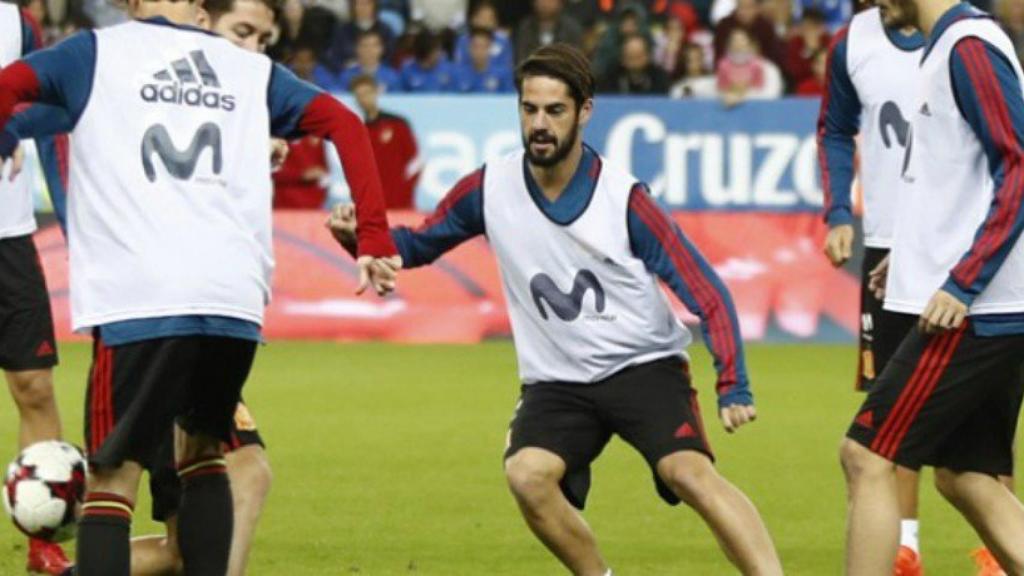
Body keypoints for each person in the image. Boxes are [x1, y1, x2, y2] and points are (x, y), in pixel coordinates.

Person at [329, 43, 783, 576]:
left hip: (643, 367)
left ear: (584, 111)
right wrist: (361, 238)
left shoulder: (624, 199)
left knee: (689, 473)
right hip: (558, 382)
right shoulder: (488, 187)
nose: (539, 124)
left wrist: (735, 383)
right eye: (529, 109)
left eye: (554, 110)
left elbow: (707, 292)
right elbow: (419, 245)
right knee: (527, 475)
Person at [0, 0, 400, 572]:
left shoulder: (96, 53)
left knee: (112, 480)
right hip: (232, 300)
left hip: (141, 295)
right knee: (205, 455)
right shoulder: (247, 70)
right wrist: (376, 237)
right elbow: (344, 122)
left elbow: (9, 91)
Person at [839, 0, 1024, 573]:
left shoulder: (968, 46)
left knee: (866, 454)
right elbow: (955, 182)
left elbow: (1019, 165)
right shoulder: (948, 47)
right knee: (965, 475)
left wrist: (964, 281)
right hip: (980, 302)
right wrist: (911, 259)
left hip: (974, 311)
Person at [816, 6, 930, 573]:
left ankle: (993, 554)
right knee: (890, 411)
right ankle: (905, 547)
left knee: (980, 417)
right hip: (886, 247)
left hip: (958, 248)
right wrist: (839, 212)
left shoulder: (968, 36)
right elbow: (835, 129)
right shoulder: (854, 41)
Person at [0, 2, 72, 574]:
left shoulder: (17, 22)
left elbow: (47, 108)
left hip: (9, 232)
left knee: (35, 386)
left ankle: (41, 539)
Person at [350, 74, 421, 210]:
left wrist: (405, 190)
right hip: (372, 204)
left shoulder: (397, 123)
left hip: (400, 202)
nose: (364, 99)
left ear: (376, 92)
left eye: (367, 93)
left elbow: (416, 161)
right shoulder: (357, 130)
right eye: (359, 95)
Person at [598, 32, 672, 94]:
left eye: (638, 56)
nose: (634, 61)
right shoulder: (610, 78)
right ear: (622, 58)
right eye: (630, 56)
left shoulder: (659, 78)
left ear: (647, 56)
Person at [453, 27, 515, 93]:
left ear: (490, 48)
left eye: (483, 47)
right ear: (469, 48)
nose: (479, 51)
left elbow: (510, 98)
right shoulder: (457, 74)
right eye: (475, 47)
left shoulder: (503, 74)